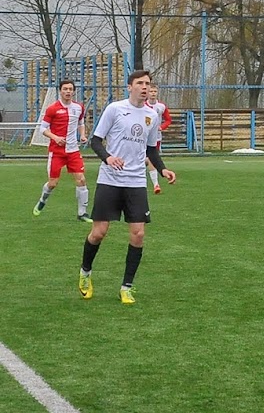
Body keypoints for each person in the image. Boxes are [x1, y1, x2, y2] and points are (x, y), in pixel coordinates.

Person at [79, 70, 176, 305]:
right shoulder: (115, 109)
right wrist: (108, 158)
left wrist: (162, 170)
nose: (145, 87)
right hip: (110, 180)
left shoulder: (151, 115)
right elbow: (95, 140)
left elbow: (152, 149)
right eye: (140, 83)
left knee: (138, 234)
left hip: (135, 182)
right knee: (99, 232)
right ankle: (85, 273)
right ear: (129, 86)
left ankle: (126, 287)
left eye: (148, 83)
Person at [32, 79, 92, 222]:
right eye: (65, 89)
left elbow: (81, 123)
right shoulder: (53, 108)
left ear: (73, 91)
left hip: (73, 151)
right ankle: (42, 201)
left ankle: (82, 213)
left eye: (70, 89)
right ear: (60, 91)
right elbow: (42, 129)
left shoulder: (79, 107)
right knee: (53, 183)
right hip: (57, 152)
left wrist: (82, 135)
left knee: (81, 179)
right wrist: (55, 137)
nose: (68, 91)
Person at [145, 83, 172, 194]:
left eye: (155, 91)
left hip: (156, 138)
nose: (153, 94)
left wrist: (161, 127)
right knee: (146, 159)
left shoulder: (161, 106)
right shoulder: (143, 106)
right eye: (151, 91)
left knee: (151, 158)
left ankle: (156, 185)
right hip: (143, 137)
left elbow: (168, 120)